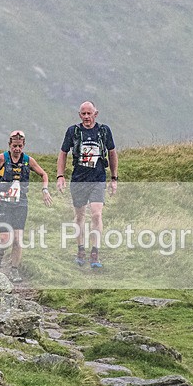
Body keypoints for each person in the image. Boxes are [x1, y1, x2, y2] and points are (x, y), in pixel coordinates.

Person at [56, 101, 118, 268]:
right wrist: (60, 176)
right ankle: (81, 249)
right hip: (78, 179)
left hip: (98, 178)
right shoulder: (73, 131)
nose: (86, 117)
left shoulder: (104, 131)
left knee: (96, 214)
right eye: (83, 114)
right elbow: (63, 153)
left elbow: (112, 153)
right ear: (79, 115)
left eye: (89, 113)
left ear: (95, 114)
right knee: (80, 216)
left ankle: (95, 252)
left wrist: (114, 178)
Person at [0, 130, 52, 282]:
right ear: (9, 145)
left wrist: (45, 190)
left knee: (17, 240)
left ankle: (14, 270)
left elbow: (44, 174)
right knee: (5, 238)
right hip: (3, 203)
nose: (17, 149)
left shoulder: (28, 160)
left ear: (24, 145)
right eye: (14, 146)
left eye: (20, 146)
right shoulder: (2, 158)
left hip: (21, 204)